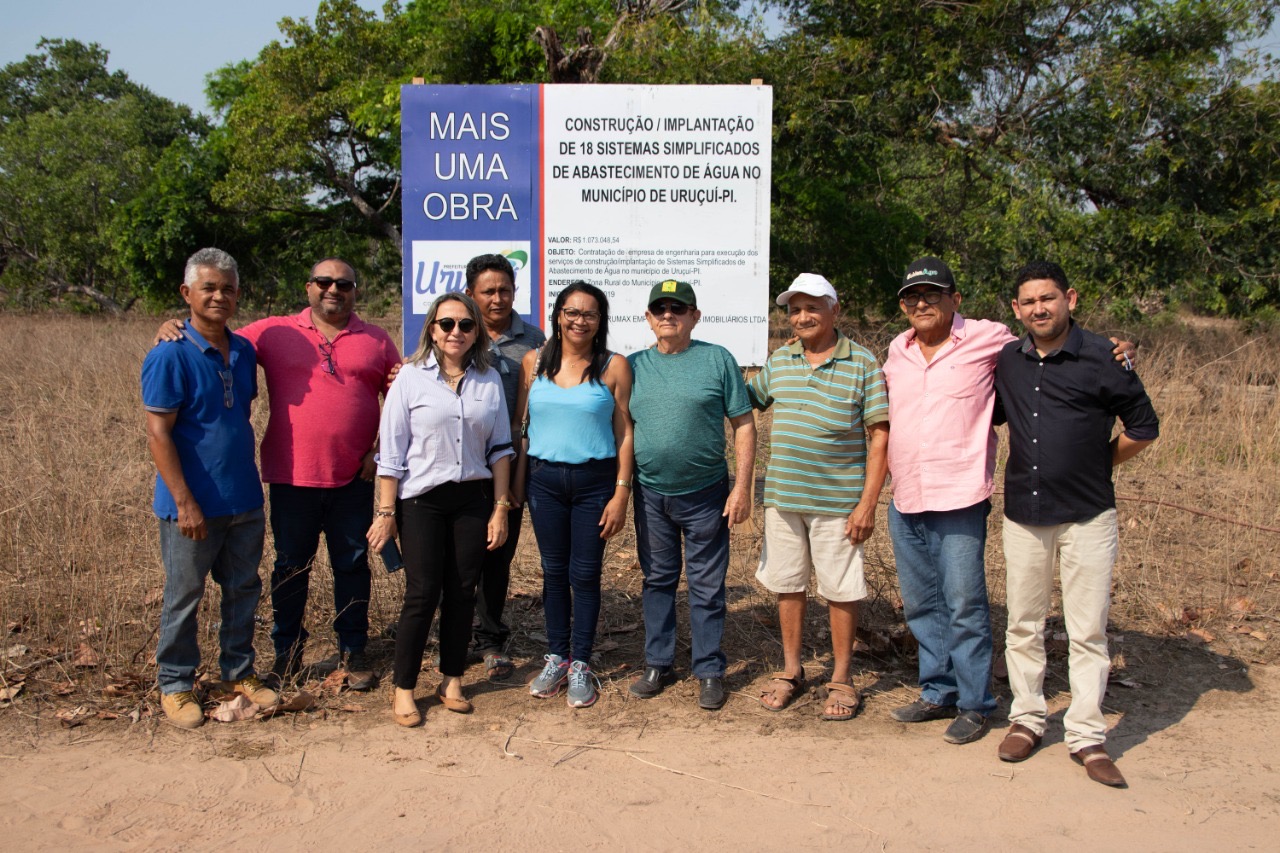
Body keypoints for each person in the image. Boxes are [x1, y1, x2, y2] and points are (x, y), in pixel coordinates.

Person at [884, 256, 1140, 746]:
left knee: (963, 604)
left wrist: (1121, 347)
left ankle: (976, 704)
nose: (921, 304)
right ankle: (937, 691)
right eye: (911, 297)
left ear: (955, 300)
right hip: (907, 495)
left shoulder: (989, 339)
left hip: (960, 495)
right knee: (921, 604)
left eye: (932, 295)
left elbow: (1056, 339)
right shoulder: (898, 350)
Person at [157, 258, 400, 690]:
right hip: (292, 477)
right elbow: (211, 334)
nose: (333, 290)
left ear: (355, 291)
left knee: (354, 564)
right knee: (290, 568)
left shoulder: (377, 340)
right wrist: (171, 325)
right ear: (308, 287)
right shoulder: (274, 332)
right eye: (324, 282)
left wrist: (378, 453)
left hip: (354, 479)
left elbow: (400, 401)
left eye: (344, 284)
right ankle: (288, 654)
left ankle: (353, 650)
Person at [994, 261, 1158, 788]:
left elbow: (1144, 425)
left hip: (1088, 514)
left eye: (1049, 298)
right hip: (1025, 513)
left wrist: (1099, 462)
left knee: (1087, 629)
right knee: (1024, 623)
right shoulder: (1007, 361)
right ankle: (1027, 718)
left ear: (1071, 298)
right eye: (1028, 302)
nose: (1039, 308)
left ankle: (1086, 735)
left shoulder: (1105, 358)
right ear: (1016, 311)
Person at [142, 248, 278, 729]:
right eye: (209, 288)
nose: (219, 296)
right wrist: (184, 501)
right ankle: (176, 684)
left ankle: (237, 673)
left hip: (242, 496)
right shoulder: (169, 354)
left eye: (227, 288)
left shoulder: (242, 351)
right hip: (193, 504)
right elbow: (159, 433)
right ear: (187, 294)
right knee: (185, 593)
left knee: (243, 588)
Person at [366, 293, 514, 727]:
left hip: (472, 499)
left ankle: (451, 679)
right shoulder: (410, 379)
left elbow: (501, 449)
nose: (456, 332)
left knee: (463, 590)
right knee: (422, 593)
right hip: (421, 502)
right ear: (432, 328)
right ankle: (404, 688)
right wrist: (386, 511)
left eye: (466, 325)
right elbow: (390, 454)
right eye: (447, 324)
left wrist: (500, 508)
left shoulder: (488, 379)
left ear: (477, 332)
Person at [748, 273, 889, 720]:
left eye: (812, 307)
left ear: (835, 310)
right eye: (794, 309)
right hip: (784, 497)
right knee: (788, 584)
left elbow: (880, 437)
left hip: (839, 502)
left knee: (841, 589)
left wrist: (867, 503)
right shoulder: (781, 360)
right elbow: (745, 399)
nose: (802, 317)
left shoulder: (863, 363)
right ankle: (792, 670)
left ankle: (842, 678)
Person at [626, 280, 756, 711]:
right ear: (648, 318)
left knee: (706, 586)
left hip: (707, 494)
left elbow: (743, 424)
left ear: (694, 316)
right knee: (658, 580)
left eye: (678, 308)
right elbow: (620, 430)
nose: (668, 315)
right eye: (659, 309)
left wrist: (742, 487)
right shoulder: (632, 367)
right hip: (650, 494)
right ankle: (658, 662)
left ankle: (709, 669)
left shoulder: (717, 360)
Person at [514, 281, 635, 709]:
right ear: (558, 315)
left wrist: (621, 492)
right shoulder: (534, 362)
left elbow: (624, 433)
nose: (579, 320)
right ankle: (556, 658)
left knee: (584, 575)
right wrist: (516, 486)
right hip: (544, 484)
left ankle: (581, 662)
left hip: (594, 484)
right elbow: (521, 430)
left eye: (589, 313)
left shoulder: (613, 366)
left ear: (600, 320)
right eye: (571, 312)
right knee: (552, 572)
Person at [463, 254, 546, 679]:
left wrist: (517, 475)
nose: (498, 299)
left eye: (505, 290)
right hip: (458, 463)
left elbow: (528, 418)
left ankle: (491, 639)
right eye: (488, 291)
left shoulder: (535, 342)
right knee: (456, 556)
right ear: (470, 295)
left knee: (498, 555)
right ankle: (455, 638)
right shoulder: (455, 333)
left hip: (511, 467)